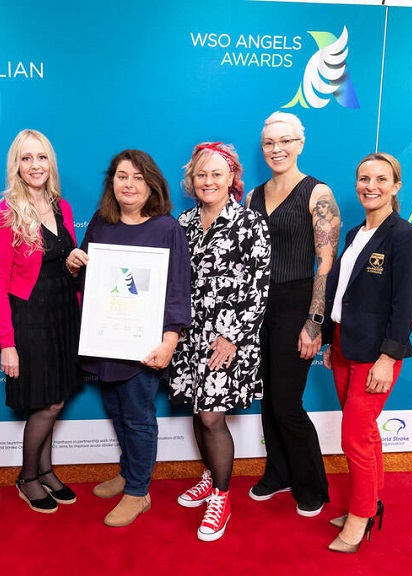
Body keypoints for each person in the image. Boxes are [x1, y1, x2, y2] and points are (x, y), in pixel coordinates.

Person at [66, 149, 191, 527]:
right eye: (123, 176)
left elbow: (177, 289)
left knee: (138, 418)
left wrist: (169, 341)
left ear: (151, 183)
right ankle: (128, 472)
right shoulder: (102, 224)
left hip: (143, 345)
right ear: (112, 183)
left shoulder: (167, 228)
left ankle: (139, 492)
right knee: (118, 412)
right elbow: (93, 279)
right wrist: (75, 265)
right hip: (107, 341)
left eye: (138, 177)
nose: (130, 184)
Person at [322, 152, 412, 553]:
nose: (371, 186)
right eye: (364, 178)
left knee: (354, 439)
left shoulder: (406, 237)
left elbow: (406, 304)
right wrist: (333, 343)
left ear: (396, 186)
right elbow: (345, 296)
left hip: (375, 354)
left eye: (381, 179)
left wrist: (388, 357)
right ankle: (373, 500)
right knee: (365, 434)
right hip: (345, 345)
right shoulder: (354, 235)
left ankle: (360, 514)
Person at [169, 142, 270, 542]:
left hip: (229, 339)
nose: (208, 181)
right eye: (201, 175)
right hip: (189, 336)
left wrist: (232, 336)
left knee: (212, 415)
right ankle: (210, 478)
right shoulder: (183, 222)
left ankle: (222, 499)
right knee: (198, 409)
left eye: (216, 174)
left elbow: (259, 286)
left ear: (232, 178)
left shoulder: (250, 223)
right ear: (191, 181)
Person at [246, 111, 340, 516]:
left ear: (300, 144)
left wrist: (314, 321)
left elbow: (325, 261)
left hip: (298, 302)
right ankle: (278, 472)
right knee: (269, 399)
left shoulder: (318, 193)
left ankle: (311, 484)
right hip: (258, 306)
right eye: (269, 143)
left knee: (287, 403)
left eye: (285, 141)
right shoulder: (252, 194)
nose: (276, 149)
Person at [0, 129, 81, 514]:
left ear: (50, 162)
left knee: (56, 397)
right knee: (48, 400)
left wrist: (76, 264)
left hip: (63, 314)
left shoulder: (63, 206)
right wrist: (7, 343)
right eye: (26, 158)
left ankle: (45, 469)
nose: (35, 165)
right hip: (30, 318)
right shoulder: (6, 212)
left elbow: (68, 261)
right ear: (17, 165)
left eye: (41, 157)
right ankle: (27, 476)